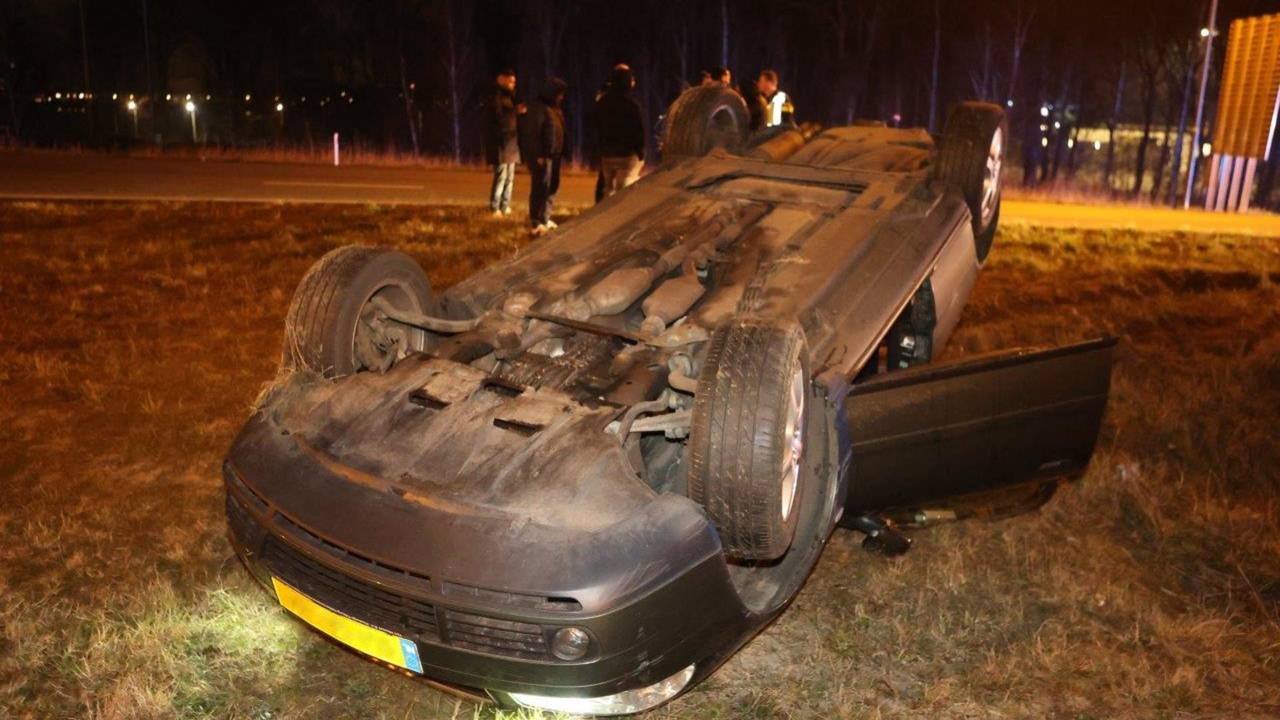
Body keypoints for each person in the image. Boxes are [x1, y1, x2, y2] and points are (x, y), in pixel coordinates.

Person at [518, 76, 568, 235]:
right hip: (543, 157)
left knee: (551, 186)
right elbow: (533, 134)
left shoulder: (553, 108)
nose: (561, 97)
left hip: (553, 155)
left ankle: (544, 218)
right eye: (559, 94)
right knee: (540, 187)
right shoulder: (539, 109)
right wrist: (539, 154)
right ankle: (536, 221)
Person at [595, 64, 645, 201]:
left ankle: (604, 215)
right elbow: (638, 130)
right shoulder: (632, 105)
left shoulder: (602, 102)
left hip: (607, 153)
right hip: (626, 155)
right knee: (624, 190)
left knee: (608, 189)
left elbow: (596, 126)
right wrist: (640, 151)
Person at [485, 69, 523, 217]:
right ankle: (495, 207)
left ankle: (505, 205)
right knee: (501, 176)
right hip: (501, 142)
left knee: (510, 177)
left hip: (511, 142)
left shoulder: (510, 97)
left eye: (514, 82)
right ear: (501, 79)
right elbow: (498, 117)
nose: (513, 84)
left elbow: (510, 116)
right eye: (510, 81)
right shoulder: (496, 96)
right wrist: (515, 111)